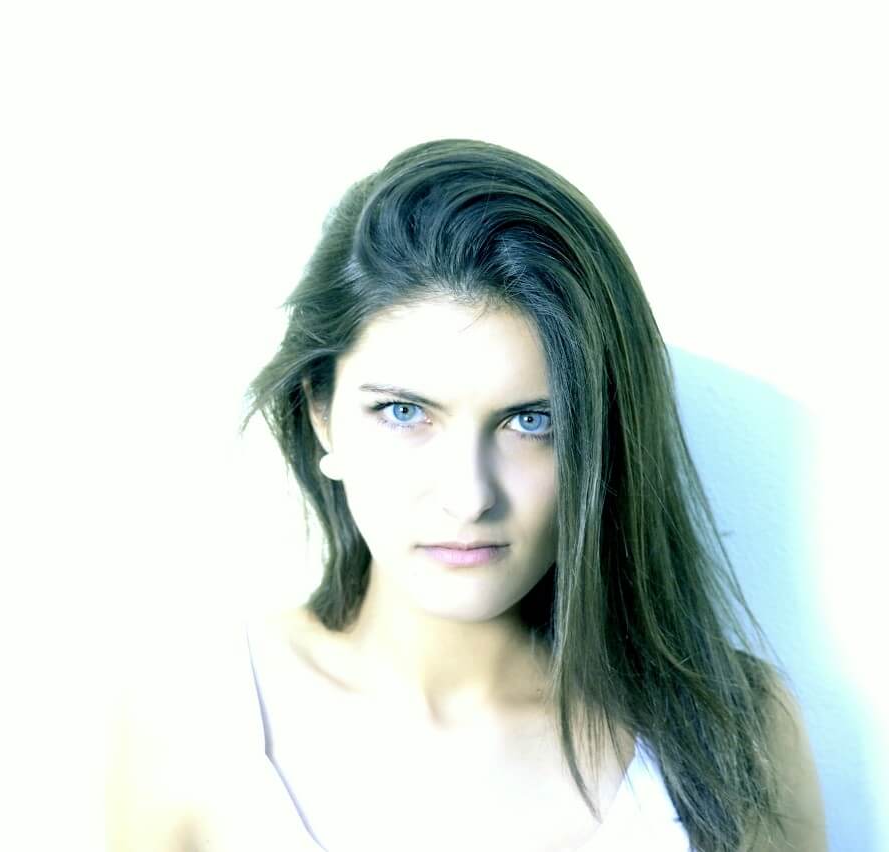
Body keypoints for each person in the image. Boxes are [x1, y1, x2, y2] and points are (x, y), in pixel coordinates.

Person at [105, 139, 827, 852]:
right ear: (321, 415)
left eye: (532, 422)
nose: (469, 496)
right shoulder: (193, 723)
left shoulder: (737, 729)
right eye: (403, 412)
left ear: (603, 436)